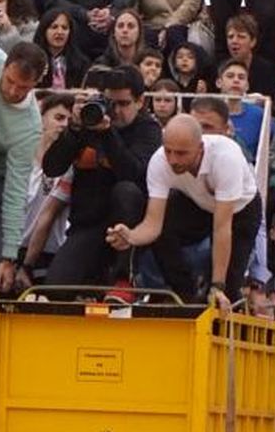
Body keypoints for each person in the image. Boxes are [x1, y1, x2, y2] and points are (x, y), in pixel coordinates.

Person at [105, 114, 260, 303]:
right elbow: (153, 224)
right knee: (166, 225)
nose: (173, 160)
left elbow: (222, 228)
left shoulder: (226, 158)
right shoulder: (159, 161)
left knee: (226, 289)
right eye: (168, 151)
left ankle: (216, 293)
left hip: (240, 211)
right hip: (197, 202)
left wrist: (218, 286)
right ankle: (184, 291)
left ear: (200, 148)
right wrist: (131, 237)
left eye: (181, 153)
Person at [39, 66, 162, 288]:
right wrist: (74, 130)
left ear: (140, 101)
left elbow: (133, 174)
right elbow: (51, 168)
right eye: (110, 102)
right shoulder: (89, 121)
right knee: (57, 288)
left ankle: (124, 278)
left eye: (123, 104)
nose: (115, 111)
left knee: (126, 191)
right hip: (88, 223)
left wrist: (107, 133)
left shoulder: (148, 129)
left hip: (132, 227)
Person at [0, 41, 45, 292]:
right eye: (9, 81)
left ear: (36, 84)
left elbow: (16, 191)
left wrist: (8, 256)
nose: (13, 91)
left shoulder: (30, 126)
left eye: (24, 88)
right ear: (3, 66)